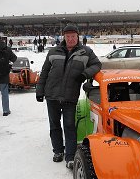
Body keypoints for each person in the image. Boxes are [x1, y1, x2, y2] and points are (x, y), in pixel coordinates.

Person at [36, 24, 101, 169]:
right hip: (51, 95)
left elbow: (97, 65)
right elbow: (45, 72)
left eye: (73, 36)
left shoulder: (86, 52)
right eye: (68, 36)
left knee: (69, 126)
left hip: (70, 96)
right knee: (54, 124)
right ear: (63, 37)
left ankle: (70, 156)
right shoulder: (53, 51)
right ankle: (58, 151)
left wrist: (85, 74)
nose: (70, 39)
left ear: (78, 36)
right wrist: (40, 91)